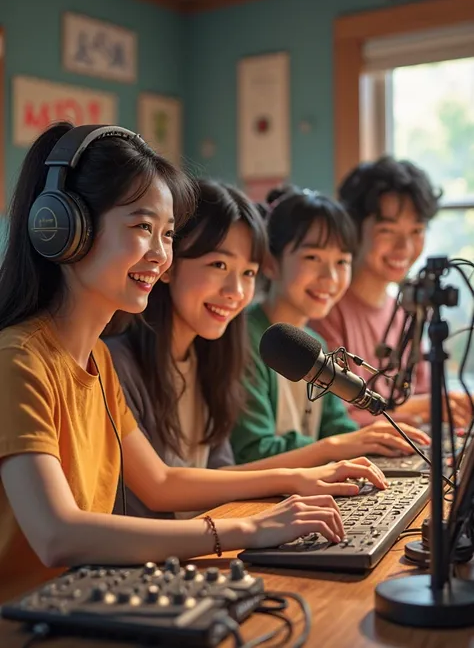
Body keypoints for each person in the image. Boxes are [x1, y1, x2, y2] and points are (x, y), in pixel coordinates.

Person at [0, 125, 348, 603]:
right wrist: (242, 530)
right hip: (30, 619)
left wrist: (291, 482)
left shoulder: (95, 357)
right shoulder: (19, 360)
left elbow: (160, 482)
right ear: (62, 227)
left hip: (83, 601)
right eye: (143, 228)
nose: (161, 256)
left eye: (167, 234)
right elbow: (57, 534)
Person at [105, 179, 387, 520]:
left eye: (247, 272)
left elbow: (222, 473)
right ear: (169, 263)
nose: (236, 290)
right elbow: (162, 489)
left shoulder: (211, 357)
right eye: (219, 265)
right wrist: (302, 473)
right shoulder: (116, 364)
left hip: (201, 540)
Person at [230, 186, 430, 466]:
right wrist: (336, 447)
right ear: (271, 263)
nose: (331, 277)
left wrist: (365, 442)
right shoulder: (244, 337)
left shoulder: (315, 343)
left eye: (342, 262)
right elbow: (253, 450)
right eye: (313, 258)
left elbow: (338, 426)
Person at [315, 157, 471, 427]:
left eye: (416, 231)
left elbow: (421, 393)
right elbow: (338, 419)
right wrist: (425, 410)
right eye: (387, 231)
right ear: (354, 229)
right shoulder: (324, 310)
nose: (405, 247)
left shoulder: (405, 311)